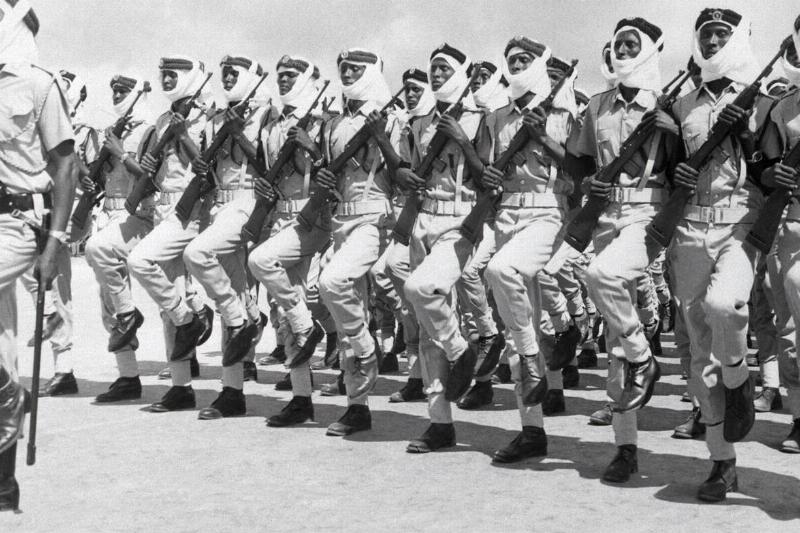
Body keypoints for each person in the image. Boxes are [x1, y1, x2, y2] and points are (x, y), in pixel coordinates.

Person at [551, 17, 677, 481]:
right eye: (617, 44)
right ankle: (626, 448)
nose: (622, 50)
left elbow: (688, 164)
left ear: (647, 51)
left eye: (631, 44)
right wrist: (585, 178)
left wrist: (674, 130)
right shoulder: (599, 105)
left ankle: (649, 358)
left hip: (649, 214)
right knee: (615, 342)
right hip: (605, 216)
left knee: (602, 278)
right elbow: (578, 156)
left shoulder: (669, 104)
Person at [668, 8, 775, 501]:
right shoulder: (682, 103)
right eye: (704, 34)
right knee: (696, 343)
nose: (711, 41)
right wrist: (678, 177)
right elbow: (667, 169)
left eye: (720, 34)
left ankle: (740, 379)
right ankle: (721, 461)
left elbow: (771, 170)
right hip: (690, 225)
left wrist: (746, 132)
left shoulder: (765, 96)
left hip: (740, 220)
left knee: (726, 307)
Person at [479, 36, 577, 461]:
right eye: (511, 60)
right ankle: (531, 429)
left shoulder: (565, 112)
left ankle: (537, 357)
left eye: (525, 59)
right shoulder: (497, 116)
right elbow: (483, 167)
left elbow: (581, 169)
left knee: (500, 270)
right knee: (522, 326)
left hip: (547, 213)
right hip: (506, 216)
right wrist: (488, 178)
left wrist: (545, 137)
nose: (516, 65)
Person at [0, 0, 77, 510]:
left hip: (18, 222)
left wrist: (56, 241)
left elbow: (67, 167)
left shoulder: (38, 83)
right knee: (3, 349)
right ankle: (4, 479)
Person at [401, 43, 489, 452]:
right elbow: (404, 170)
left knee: (422, 289)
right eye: (431, 69)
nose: (435, 75)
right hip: (424, 221)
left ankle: (462, 349)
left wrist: (463, 142)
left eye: (443, 69)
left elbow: (492, 180)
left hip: (462, 219)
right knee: (425, 329)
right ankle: (439, 422)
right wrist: (407, 176)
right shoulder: (419, 124)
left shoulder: (480, 119)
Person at [314, 48, 401, 436]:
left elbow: (403, 173)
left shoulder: (393, 119)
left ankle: (369, 350)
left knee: (333, 283)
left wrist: (380, 136)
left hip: (374, 216)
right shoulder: (334, 123)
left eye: (355, 68)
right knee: (346, 307)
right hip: (341, 217)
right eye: (343, 68)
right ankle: (357, 406)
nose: (347, 73)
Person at [246, 54, 331, 427]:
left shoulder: (322, 122)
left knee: (260, 262)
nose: (283, 80)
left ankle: (309, 327)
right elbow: (265, 172)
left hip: (311, 218)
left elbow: (334, 171)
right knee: (284, 310)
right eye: (279, 75)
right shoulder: (271, 126)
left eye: (291, 75)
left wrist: (310, 146)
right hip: (281, 215)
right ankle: (301, 398)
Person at [125, 56, 213, 412]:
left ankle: (195, 314)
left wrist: (184, 136)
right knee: (169, 300)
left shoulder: (207, 119)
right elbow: (154, 169)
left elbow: (209, 171)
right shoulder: (160, 121)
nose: (166, 79)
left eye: (172, 74)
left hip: (191, 212)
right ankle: (181, 386)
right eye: (162, 74)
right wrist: (149, 165)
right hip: (164, 209)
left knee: (140, 260)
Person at [20, 69, 95, 397]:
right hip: (36, 207)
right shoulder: (39, 120)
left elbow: (84, 172)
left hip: (62, 214)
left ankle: (64, 370)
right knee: (32, 274)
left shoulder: (82, 130)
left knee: (60, 288)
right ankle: (48, 316)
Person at [83, 74, 157, 403]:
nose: (116, 94)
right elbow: (101, 178)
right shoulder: (108, 130)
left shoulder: (148, 131)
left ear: (136, 95)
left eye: (123, 90)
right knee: (106, 304)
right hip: (108, 216)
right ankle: (127, 377)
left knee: (97, 252)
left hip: (137, 214)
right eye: (113, 89)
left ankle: (131, 315)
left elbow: (151, 180)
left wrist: (120, 151)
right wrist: (88, 179)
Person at [757, 14, 800, 454]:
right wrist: (777, 173)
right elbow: (764, 170)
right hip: (793, 222)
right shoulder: (785, 105)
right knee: (788, 326)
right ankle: (799, 416)